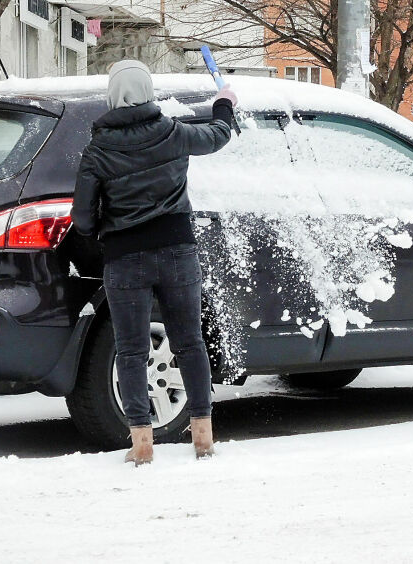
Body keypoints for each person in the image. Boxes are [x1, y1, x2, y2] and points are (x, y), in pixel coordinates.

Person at [72, 60, 236, 464]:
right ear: (147, 92)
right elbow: (217, 136)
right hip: (178, 252)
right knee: (190, 343)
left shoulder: (98, 151)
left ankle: (141, 442)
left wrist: (99, 230)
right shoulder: (172, 133)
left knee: (130, 351)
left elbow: (82, 218)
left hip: (125, 259)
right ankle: (202, 436)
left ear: (113, 96)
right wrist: (224, 104)